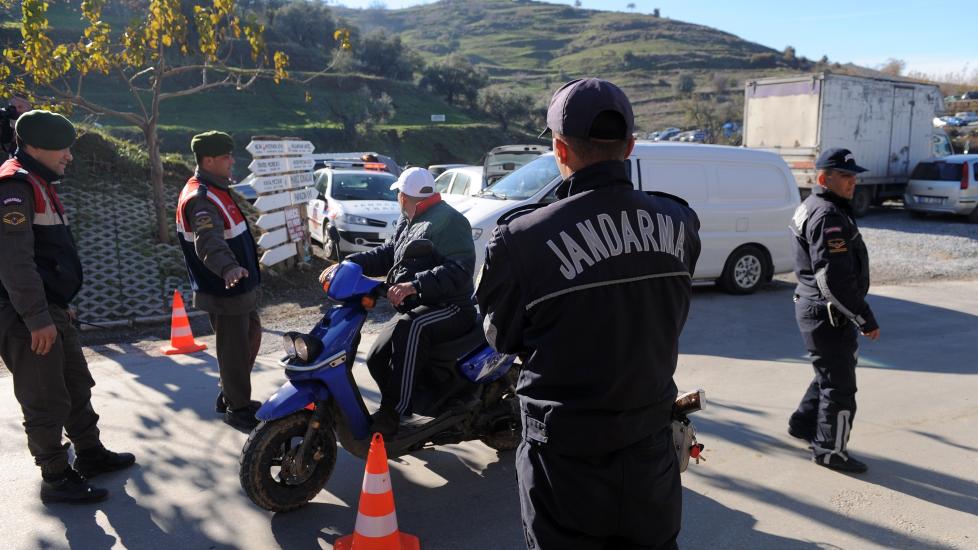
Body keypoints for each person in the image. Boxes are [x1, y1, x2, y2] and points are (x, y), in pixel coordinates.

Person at [476, 78, 701, 550]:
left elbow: (502, 337)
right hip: (650, 459)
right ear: (631, 146)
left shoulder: (520, 238)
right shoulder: (680, 221)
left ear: (559, 148)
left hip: (565, 467)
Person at [0, 110, 136, 504]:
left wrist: (57, 306)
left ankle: (90, 453)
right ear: (36, 146)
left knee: (76, 383)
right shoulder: (14, 187)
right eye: (63, 148)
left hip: (47, 307)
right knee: (45, 397)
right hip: (23, 314)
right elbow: (15, 262)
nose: (69, 156)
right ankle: (56, 477)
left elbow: (45, 256)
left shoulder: (37, 180)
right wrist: (38, 317)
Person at [318, 167, 476, 437]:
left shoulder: (450, 221)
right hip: (421, 303)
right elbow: (390, 253)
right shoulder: (410, 219)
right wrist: (349, 263)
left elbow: (460, 270)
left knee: (410, 329)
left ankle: (394, 412)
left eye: (399, 195)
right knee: (378, 354)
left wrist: (414, 285)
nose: (398, 199)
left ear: (404, 196)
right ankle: (414, 402)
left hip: (451, 306)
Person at [788, 148, 880, 473]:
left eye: (854, 175)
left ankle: (803, 424)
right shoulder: (828, 216)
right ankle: (830, 450)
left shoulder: (816, 206)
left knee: (828, 373)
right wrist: (864, 316)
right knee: (840, 387)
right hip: (827, 313)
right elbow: (834, 279)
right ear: (824, 178)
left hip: (814, 308)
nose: (852, 181)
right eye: (845, 175)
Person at [175, 131, 262, 431]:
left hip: (237, 288)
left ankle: (230, 396)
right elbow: (208, 241)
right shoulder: (201, 198)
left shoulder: (216, 189)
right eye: (226, 156)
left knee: (248, 336)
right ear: (208, 160)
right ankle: (239, 408)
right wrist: (228, 268)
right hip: (225, 289)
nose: (231, 161)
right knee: (234, 350)